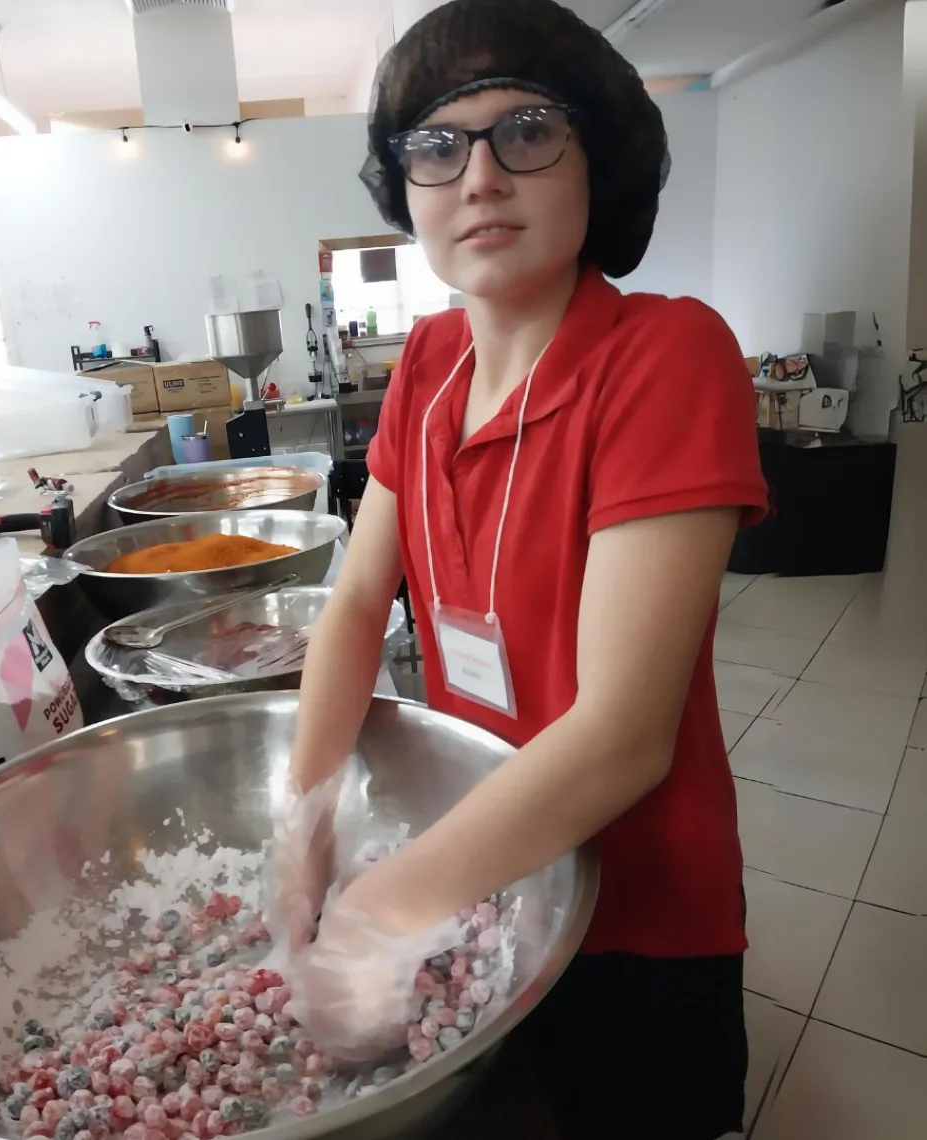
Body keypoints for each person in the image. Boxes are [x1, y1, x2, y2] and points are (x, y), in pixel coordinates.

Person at [274, 2, 767, 1137]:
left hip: (640, 911)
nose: (480, 176)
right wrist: (303, 825)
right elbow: (358, 602)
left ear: (600, 162)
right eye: (437, 146)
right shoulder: (429, 364)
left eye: (528, 130)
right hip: (481, 881)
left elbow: (624, 736)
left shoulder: (666, 356)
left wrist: (380, 912)